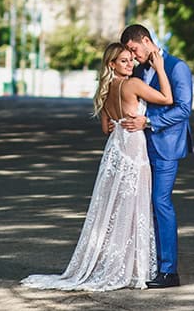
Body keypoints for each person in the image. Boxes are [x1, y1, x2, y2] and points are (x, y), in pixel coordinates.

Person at [20, 41, 173, 292]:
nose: (130, 63)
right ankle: (134, 268)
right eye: (123, 60)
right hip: (133, 147)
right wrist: (160, 68)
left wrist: (118, 120)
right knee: (134, 205)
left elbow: (106, 128)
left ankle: (119, 262)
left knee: (113, 205)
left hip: (115, 148)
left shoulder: (105, 88)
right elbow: (167, 99)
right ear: (111, 64)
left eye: (130, 59)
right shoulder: (133, 84)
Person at [120, 23, 193, 289]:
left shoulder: (177, 67)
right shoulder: (138, 70)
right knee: (142, 203)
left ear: (147, 41)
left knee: (161, 202)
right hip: (139, 147)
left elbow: (184, 109)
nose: (132, 54)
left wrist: (148, 121)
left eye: (133, 48)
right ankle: (147, 263)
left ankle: (169, 271)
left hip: (166, 146)